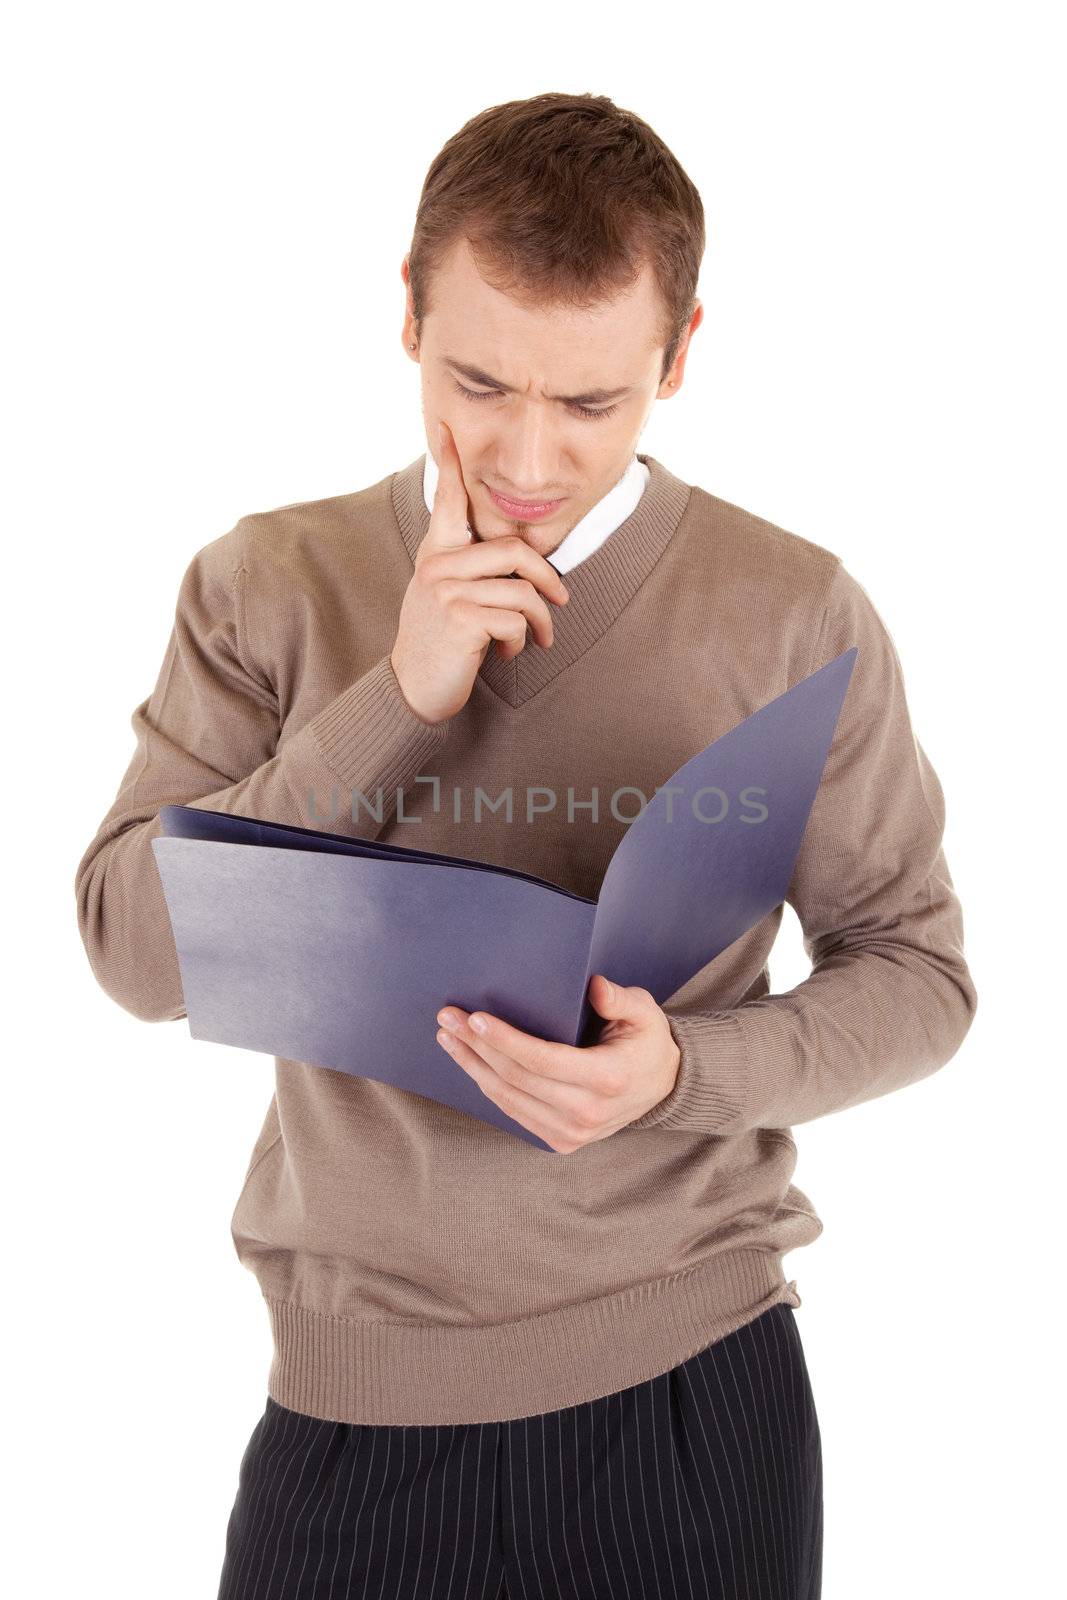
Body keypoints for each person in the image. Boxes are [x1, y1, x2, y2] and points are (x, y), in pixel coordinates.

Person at [74, 92, 977, 1599]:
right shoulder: (267, 583)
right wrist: (395, 700)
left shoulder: (793, 609)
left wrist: (687, 1074)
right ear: (408, 314)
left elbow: (921, 976)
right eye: (478, 381)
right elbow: (131, 956)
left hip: (696, 1386)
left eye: (593, 402)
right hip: (356, 1400)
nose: (528, 455)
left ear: (679, 358)